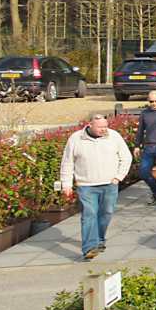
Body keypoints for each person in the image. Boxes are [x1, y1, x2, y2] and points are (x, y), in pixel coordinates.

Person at [58, 112, 133, 261]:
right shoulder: (76, 139)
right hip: (86, 185)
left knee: (106, 213)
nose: (104, 129)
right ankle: (89, 247)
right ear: (90, 125)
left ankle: (99, 239)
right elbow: (67, 162)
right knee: (89, 214)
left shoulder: (114, 136)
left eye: (105, 126)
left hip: (109, 184)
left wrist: (119, 177)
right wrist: (66, 184)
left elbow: (126, 157)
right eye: (100, 127)